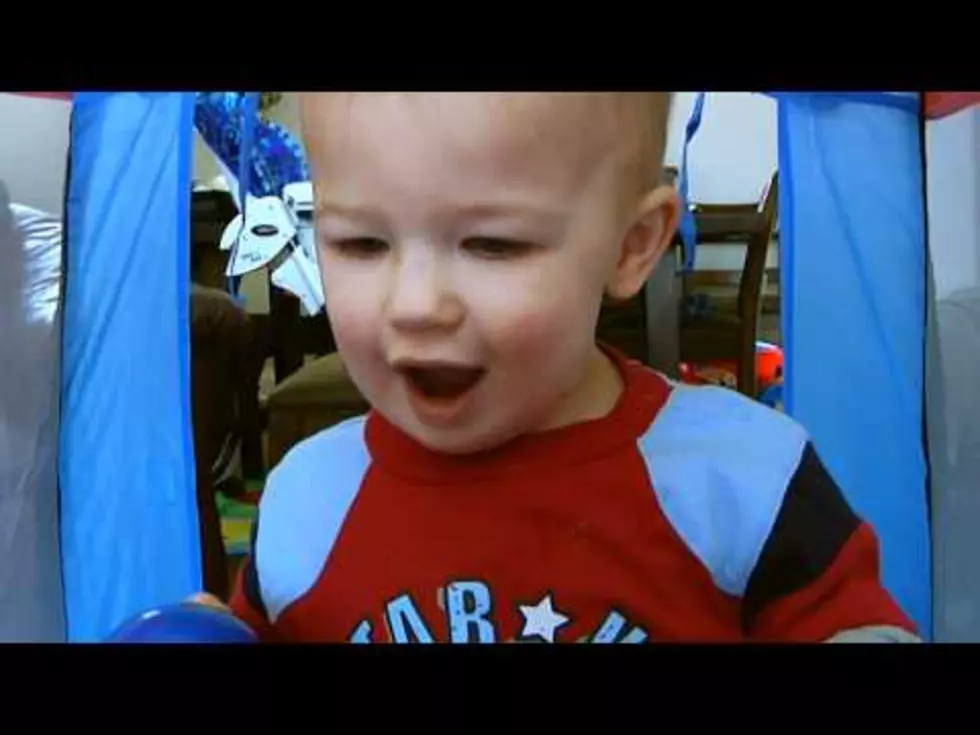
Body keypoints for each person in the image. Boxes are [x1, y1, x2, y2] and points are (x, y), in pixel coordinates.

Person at [195, 93, 919, 643]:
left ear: (632, 245)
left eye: (492, 246)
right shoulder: (303, 503)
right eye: (360, 243)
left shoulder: (743, 481)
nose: (414, 304)